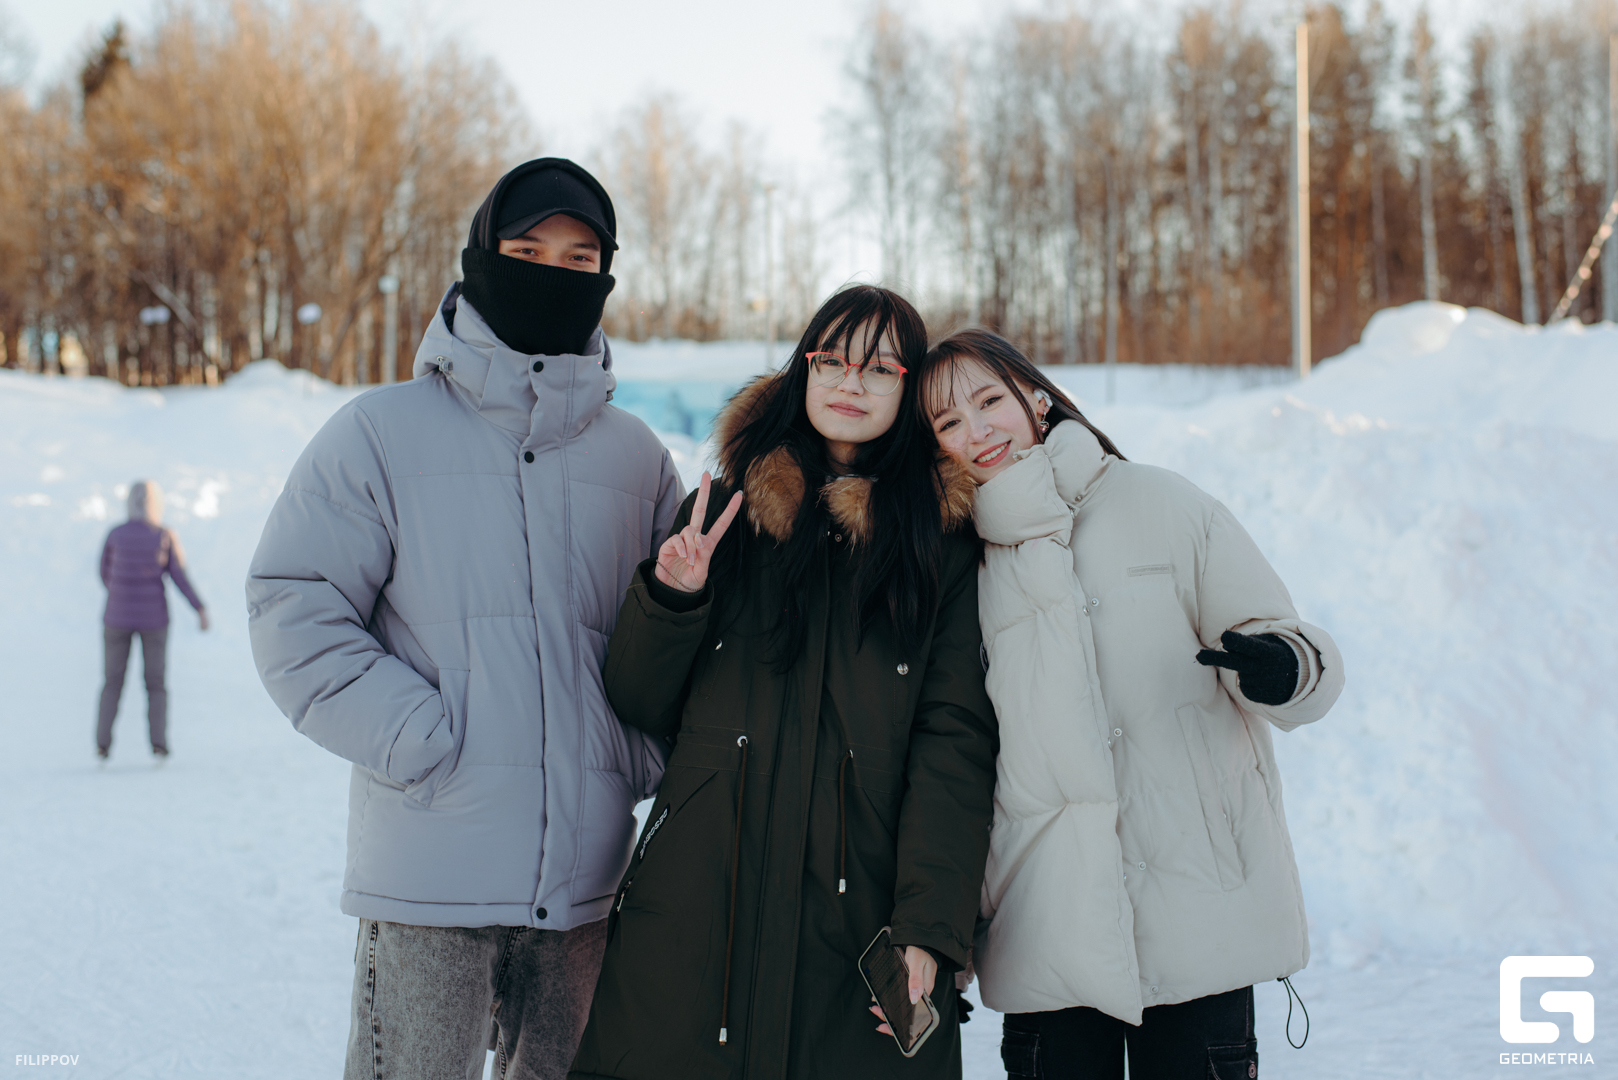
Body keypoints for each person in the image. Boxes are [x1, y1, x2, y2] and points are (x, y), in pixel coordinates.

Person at [246, 157, 684, 1080]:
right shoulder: (380, 433)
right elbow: (295, 606)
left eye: (580, 259)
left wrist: (633, 754)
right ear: (481, 260)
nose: (553, 274)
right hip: (429, 879)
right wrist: (425, 740)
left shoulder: (638, 459)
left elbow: (676, 637)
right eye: (527, 252)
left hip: (587, 892)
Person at [567, 286, 999, 1080]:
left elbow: (955, 748)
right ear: (803, 369)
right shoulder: (722, 517)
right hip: (696, 915)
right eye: (831, 360)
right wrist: (673, 599)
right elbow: (638, 700)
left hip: (858, 925)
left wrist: (930, 928)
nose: (850, 382)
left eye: (879, 368)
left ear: (907, 391)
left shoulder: (941, 548)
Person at [919, 329, 1346, 1080]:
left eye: (989, 401)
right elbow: (951, 759)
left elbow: (1283, 637)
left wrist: (1281, 666)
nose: (976, 431)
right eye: (948, 421)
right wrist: (943, 935)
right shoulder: (956, 560)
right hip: (1044, 927)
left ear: (1038, 400)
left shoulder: (1162, 503)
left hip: (1200, 915)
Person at [96, 479, 208, 762]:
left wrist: (121, 595)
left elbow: (104, 573)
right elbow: (179, 576)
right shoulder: (163, 535)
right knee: (155, 683)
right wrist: (199, 608)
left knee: (112, 682)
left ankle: (102, 744)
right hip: (154, 620)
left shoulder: (115, 534)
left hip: (116, 618)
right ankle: (159, 744)